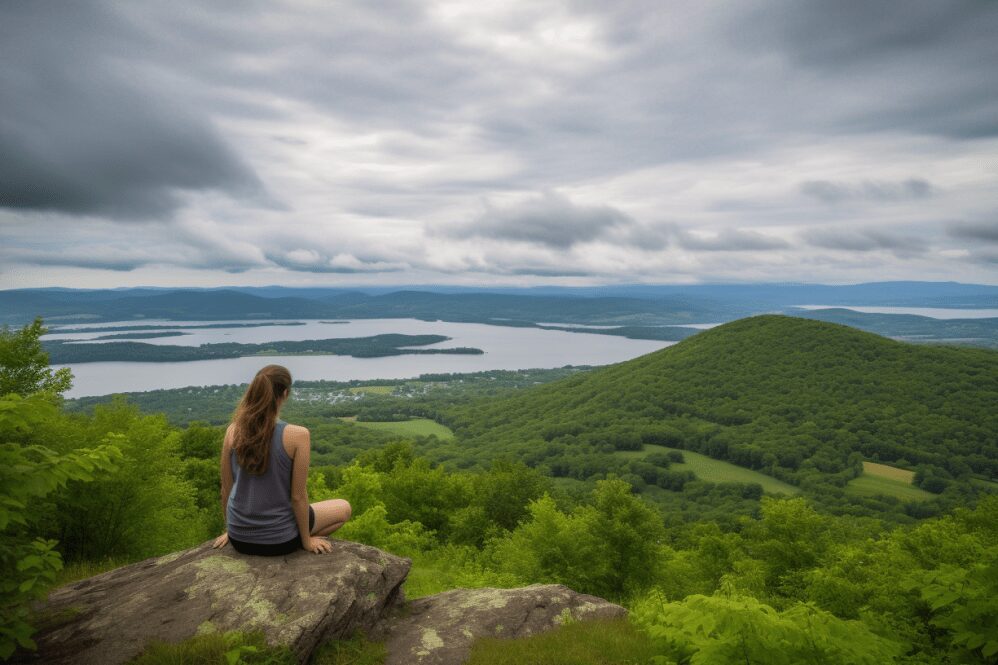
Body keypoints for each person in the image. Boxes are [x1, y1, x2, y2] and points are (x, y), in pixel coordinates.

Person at [211, 364, 351, 555]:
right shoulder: (298, 435)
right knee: (344, 508)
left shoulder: (232, 431)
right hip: (280, 541)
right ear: (285, 393)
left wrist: (230, 530)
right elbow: (298, 497)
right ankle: (304, 538)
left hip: (238, 538)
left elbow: (226, 487)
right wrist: (306, 540)